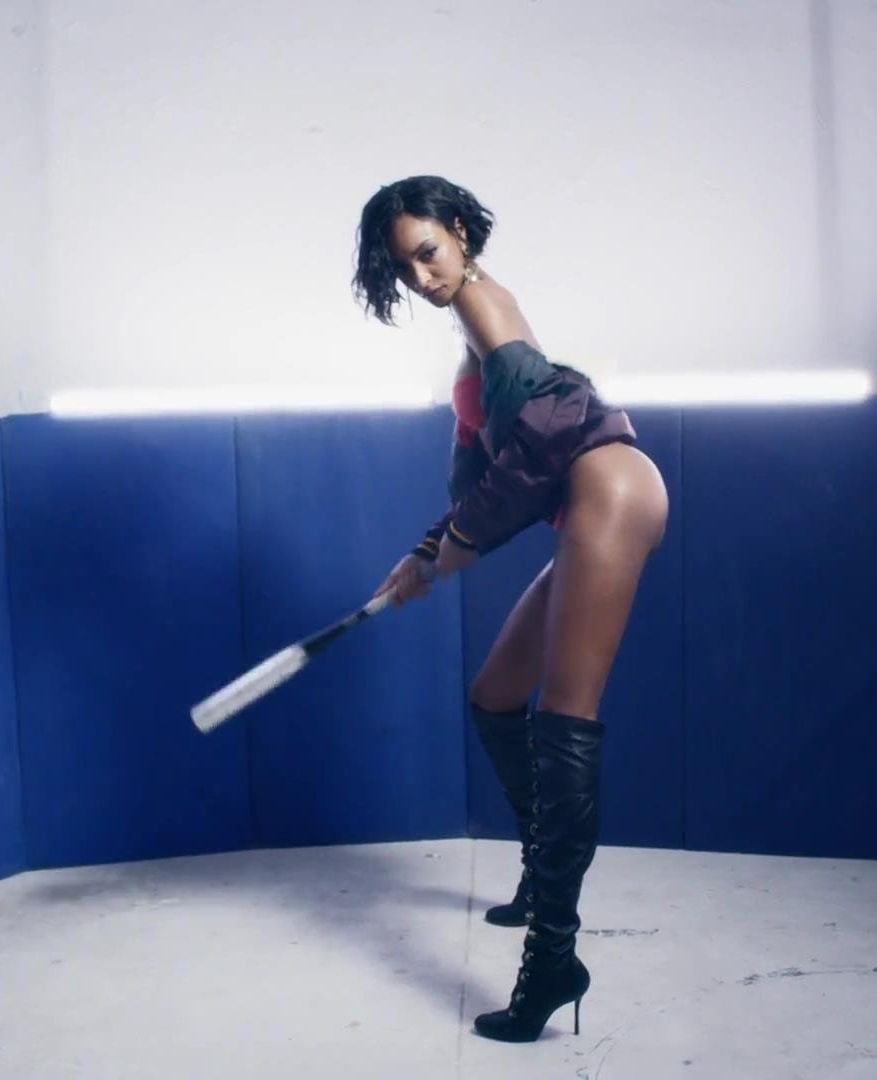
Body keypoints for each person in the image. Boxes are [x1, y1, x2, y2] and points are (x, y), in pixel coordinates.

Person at [354, 176, 669, 1043]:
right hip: (587, 505)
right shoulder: (471, 323)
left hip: (610, 493)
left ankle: (553, 959)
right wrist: (426, 553)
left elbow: (546, 437)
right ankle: (540, 872)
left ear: (459, 231)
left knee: (565, 722)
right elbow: (485, 474)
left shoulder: (485, 303)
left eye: (428, 253)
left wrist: (458, 544)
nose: (421, 276)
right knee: (496, 696)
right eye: (405, 266)